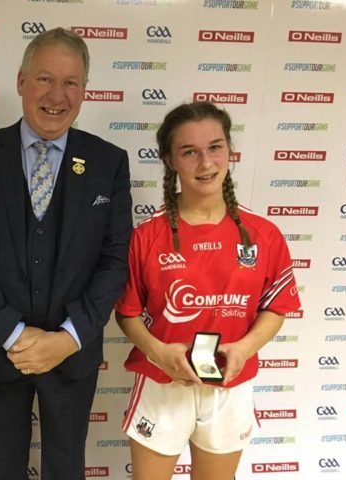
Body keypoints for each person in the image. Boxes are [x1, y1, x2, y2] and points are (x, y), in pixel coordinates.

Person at [0, 27, 132, 480]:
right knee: (3, 469)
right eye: (45, 79)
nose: (57, 95)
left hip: (73, 352)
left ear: (85, 90)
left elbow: (115, 259)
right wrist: (13, 335)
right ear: (21, 81)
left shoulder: (110, 162)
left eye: (71, 82)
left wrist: (67, 338)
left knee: (66, 470)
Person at [115, 101, 301, 480]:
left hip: (231, 386)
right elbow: (127, 313)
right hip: (162, 382)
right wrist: (160, 352)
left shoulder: (263, 234)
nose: (205, 163)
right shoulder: (146, 237)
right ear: (169, 160)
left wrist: (244, 348)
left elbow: (277, 307)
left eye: (215, 147)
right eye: (190, 152)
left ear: (229, 150)